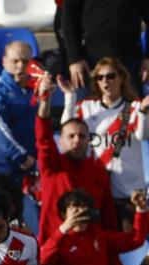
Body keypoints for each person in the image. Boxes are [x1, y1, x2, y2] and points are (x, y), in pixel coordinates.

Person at [35, 74, 125, 265]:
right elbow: (43, 137)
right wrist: (45, 101)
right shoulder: (52, 166)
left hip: (91, 258)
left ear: (89, 141)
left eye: (82, 136)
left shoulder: (98, 172)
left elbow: (109, 221)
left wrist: (115, 263)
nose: (76, 140)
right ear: (62, 141)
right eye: (71, 136)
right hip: (56, 256)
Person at [59, 58, 149, 231]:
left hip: (128, 195)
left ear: (121, 78)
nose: (105, 81)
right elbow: (67, 127)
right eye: (100, 78)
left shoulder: (136, 106)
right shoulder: (87, 107)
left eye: (110, 76)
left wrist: (144, 112)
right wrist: (70, 98)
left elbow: (142, 135)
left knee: (129, 246)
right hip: (96, 193)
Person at [41, 188, 149, 265]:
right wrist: (64, 228)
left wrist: (141, 209)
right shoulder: (59, 239)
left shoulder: (100, 237)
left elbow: (135, 240)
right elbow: (41, 260)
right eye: (75, 207)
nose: (80, 212)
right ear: (64, 214)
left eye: (84, 208)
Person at [0, 41, 39, 185]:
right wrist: (19, 156)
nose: (21, 66)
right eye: (15, 61)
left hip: (26, 169)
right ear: (4, 62)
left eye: (25, 61)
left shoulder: (36, 90)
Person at [61, 0, 149, 93]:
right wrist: (75, 58)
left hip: (130, 59)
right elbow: (69, 15)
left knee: (134, 105)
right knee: (90, 105)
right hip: (92, 61)